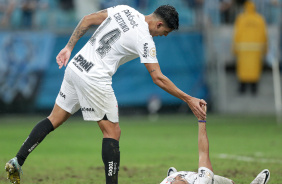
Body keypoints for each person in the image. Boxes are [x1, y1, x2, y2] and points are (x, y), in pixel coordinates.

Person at [5, 4, 207, 184]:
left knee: (54, 118)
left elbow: (87, 19)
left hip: (76, 66)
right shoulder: (145, 39)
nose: (163, 36)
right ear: (159, 24)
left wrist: (68, 47)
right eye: (165, 33)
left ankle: (17, 160)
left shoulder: (124, 10)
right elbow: (158, 78)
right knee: (112, 133)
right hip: (95, 78)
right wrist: (189, 99)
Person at [159, 104, 270, 184]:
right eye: (180, 179)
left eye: (175, 180)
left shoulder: (172, 180)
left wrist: (201, 120)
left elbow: (202, 153)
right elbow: (203, 153)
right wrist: (201, 120)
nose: (177, 178)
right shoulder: (203, 181)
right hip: (203, 179)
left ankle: (172, 176)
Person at [232, 0, 268, 95]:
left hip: (243, 49)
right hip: (256, 49)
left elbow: (237, 34)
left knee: (243, 70)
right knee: (254, 70)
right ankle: (253, 88)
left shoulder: (241, 18)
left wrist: (234, 49)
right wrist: (265, 49)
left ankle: (242, 88)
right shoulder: (260, 19)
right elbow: (264, 35)